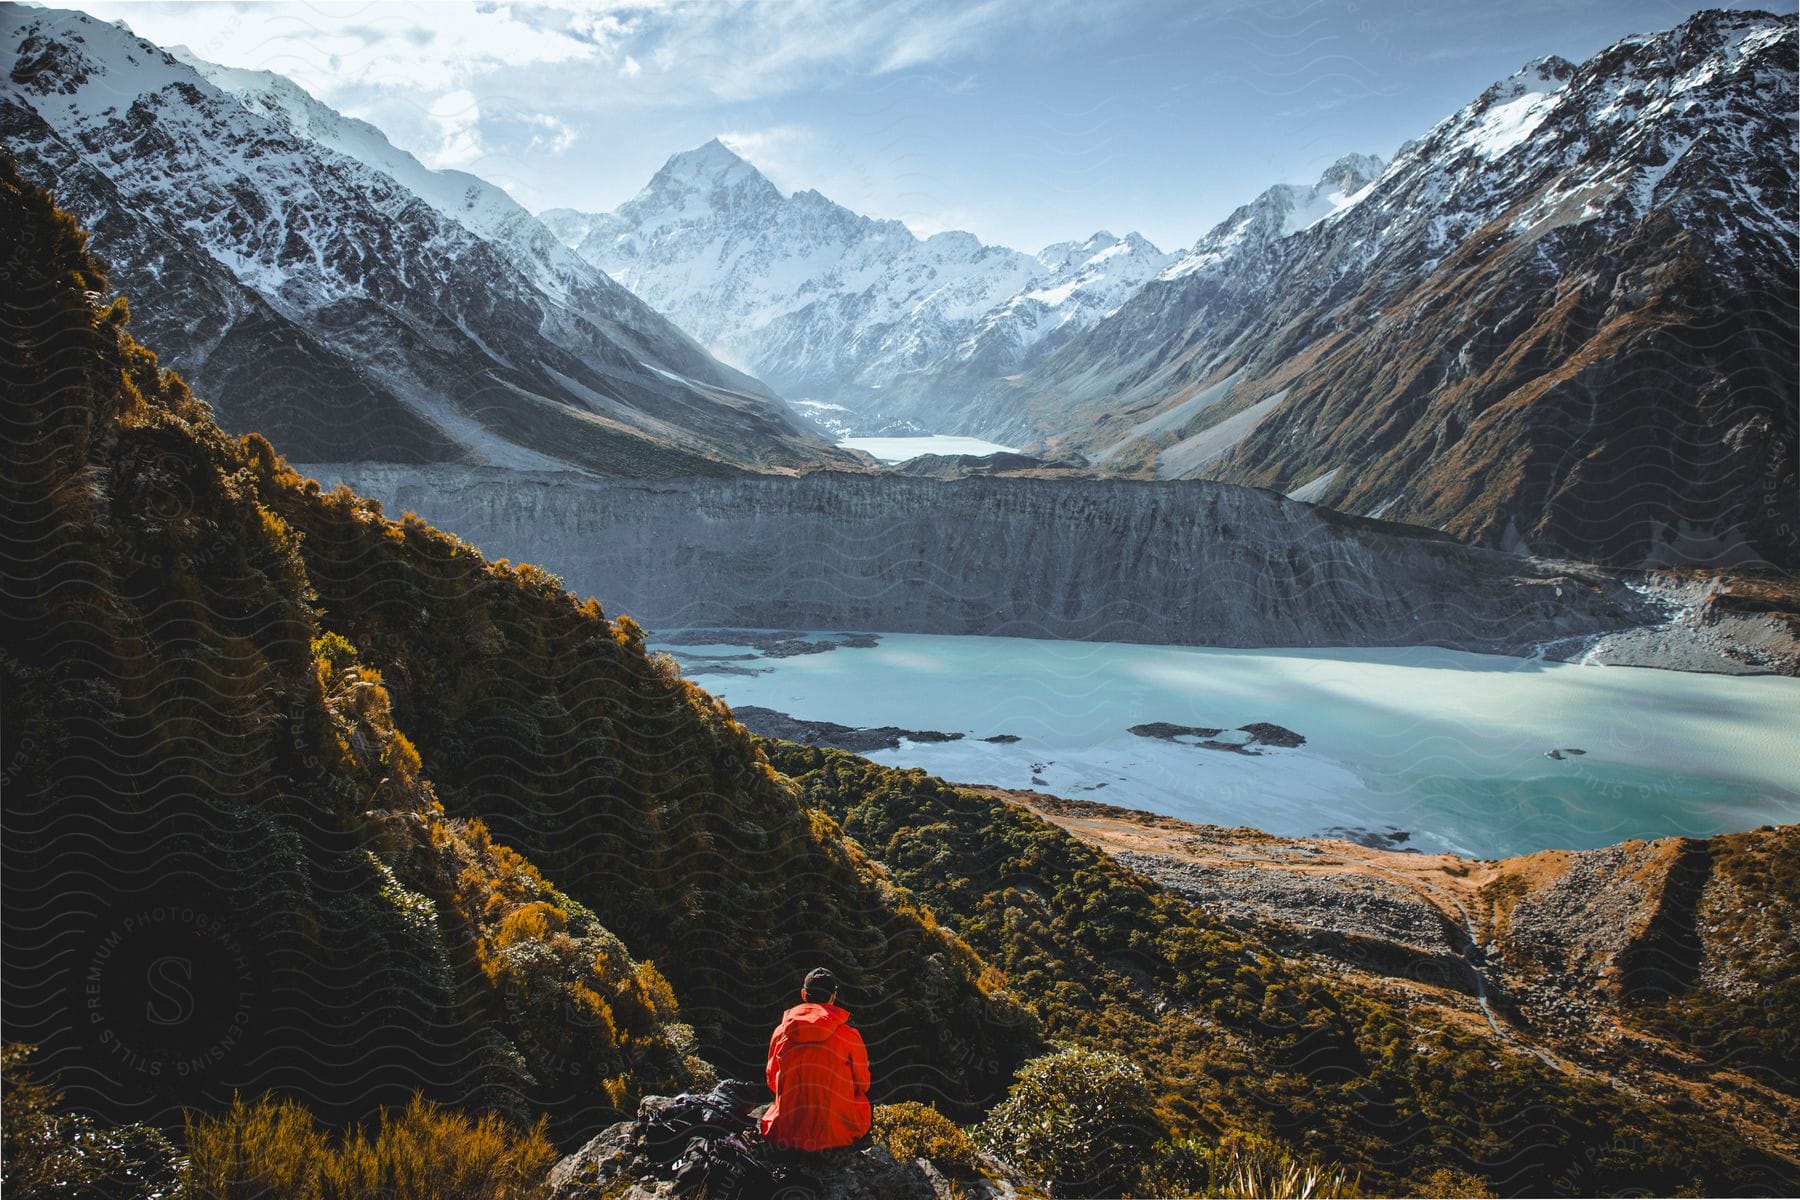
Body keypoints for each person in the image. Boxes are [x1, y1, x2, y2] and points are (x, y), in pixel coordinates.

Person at [759, 967, 872, 1151]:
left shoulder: (781, 1032)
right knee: (862, 1104)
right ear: (833, 997)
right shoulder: (850, 1036)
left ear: (804, 994)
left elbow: (772, 1081)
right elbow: (863, 1085)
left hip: (786, 1131)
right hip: (835, 1134)